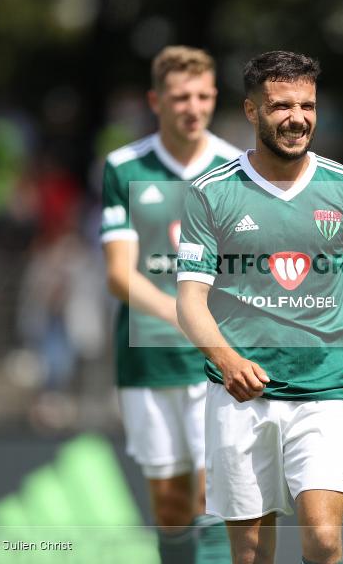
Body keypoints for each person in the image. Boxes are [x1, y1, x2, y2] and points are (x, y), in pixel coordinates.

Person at [176, 51, 343, 564]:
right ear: (252, 111)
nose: (297, 118)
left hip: (325, 391)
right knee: (252, 552)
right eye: (281, 107)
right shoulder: (211, 194)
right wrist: (229, 362)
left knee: (323, 540)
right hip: (239, 398)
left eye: (307, 106)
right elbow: (190, 302)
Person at [100, 46, 239, 563]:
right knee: (172, 504)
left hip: (213, 361)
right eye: (181, 97)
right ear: (156, 100)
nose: (193, 107)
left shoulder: (234, 169)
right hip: (148, 356)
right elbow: (119, 274)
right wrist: (184, 314)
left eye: (204, 96)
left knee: (214, 495)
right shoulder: (123, 166)